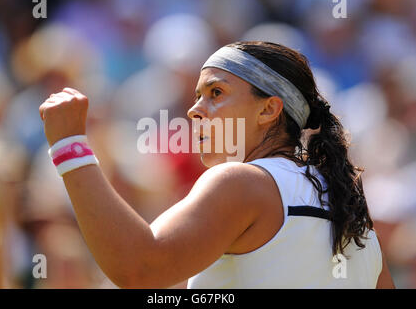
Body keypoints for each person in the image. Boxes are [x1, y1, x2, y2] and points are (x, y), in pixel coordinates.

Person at [39, 41, 395, 288]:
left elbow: (139, 269)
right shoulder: (354, 214)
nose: (194, 110)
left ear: (268, 109)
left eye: (215, 93)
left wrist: (70, 146)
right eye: (197, 96)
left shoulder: (240, 182)